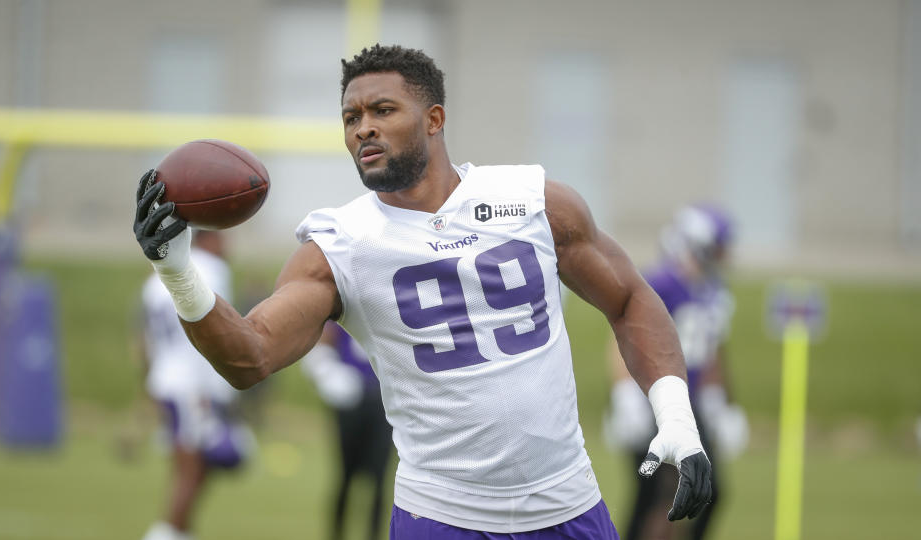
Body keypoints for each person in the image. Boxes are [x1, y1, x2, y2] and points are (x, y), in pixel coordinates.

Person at [133, 44, 712, 539]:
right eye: (351, 117)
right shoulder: (341, 244)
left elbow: (630, 298)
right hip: (442, 516)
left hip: (567, 505)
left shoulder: (532, 201)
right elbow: (250, 356)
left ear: (434, 119)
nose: (364, 128)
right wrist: (179, 271)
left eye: (383, 110)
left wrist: (676, 418)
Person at [605, 204, 748, 540]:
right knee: (659, 495)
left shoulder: (713, 290)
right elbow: (624, 335)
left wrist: (719, 401)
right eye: (720, 246)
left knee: (702, 492)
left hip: (689, 404)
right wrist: (625, 393)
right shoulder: (662, 282)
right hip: (653, 399)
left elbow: (712, 351)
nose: (725, 255)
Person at [139, 230, 253, 540]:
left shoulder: (155, 280)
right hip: (192, 384)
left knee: (193, 467)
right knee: (192, 470)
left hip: (168, 381)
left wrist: (150, 386)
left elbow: (145, 341)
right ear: (208, 239)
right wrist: (209, 390)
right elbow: (213, 333)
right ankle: (166, 533)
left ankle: (179, 532)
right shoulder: (212, 270)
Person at [302, 321, 394, 540]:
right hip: (350, 401)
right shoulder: (346, 300)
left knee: (380, 478)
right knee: (345, 475)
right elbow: (321, 346)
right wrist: (329, 375)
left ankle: (373, 535)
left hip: (383, 402)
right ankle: (336, 534)